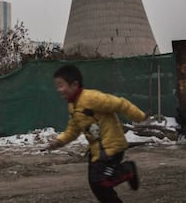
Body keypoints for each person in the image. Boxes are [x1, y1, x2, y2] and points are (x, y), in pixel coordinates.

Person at [48, 64, 149, 203]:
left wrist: (139, 116)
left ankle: (128, 170)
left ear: (74, 84)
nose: (59, 90)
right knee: (97, 185)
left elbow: (120, 103)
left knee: (100, 182)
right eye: (57, 86)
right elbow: (73, 129)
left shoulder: (92, 98)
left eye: (61, 85)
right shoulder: (73, 105)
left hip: (111, 147)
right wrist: (59, 141)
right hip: (97, 151)